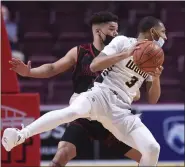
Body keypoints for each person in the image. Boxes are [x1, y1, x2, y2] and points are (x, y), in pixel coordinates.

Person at [2, 16, 167, 166]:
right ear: (153, 32)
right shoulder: (124, 42)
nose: (165, 37)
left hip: (121, 110)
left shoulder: (153, 59)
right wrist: (125, 54)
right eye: (163, 32)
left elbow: (153, 99)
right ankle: (19, 135)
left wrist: (157, 77)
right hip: (101, 94)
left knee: (152, 149)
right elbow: (95, 65)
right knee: (71, 112)